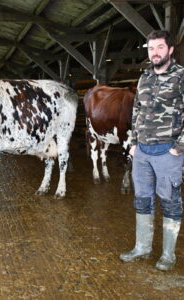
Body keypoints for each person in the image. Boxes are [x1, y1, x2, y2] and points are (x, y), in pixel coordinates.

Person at [119, 30, 184, 271]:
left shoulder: (181, 77)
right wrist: (134, 143)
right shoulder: (144, 77)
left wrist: (179, 148)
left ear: (170, 50)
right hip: (142, 152)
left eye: (159, 47)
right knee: (142, 200)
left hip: (168, 151)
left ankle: (168, 255)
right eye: (150, 48)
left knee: (170, 202)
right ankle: (142, 248)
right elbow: (136, 111)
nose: (154, 52)